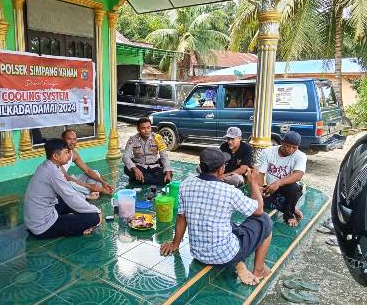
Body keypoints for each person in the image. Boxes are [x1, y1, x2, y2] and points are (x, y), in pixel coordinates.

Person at [160, 148, 272, 286]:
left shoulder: (186, 184)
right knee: (265, 219)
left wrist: (175, 244)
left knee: (221, 219)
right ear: (221, 170)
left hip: (198, 254)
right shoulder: (229, 191)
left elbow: (181, 218)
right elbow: (259, 210)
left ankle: (240, 265)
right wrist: (253, 183)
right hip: (225, 255)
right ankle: (259, 269)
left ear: (201, 167)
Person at [24, 138, 102, 239]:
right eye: (66, 153)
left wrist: (86, 195)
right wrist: (97, 210)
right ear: (55, 156)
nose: (69, 155)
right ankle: (81, 227)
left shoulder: (45, 166)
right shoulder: (53, 173)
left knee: (64, 199)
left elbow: (68, 191)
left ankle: (77, 221)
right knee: (94, 217)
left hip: (34, 220)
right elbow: (71, 196)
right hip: (42, 227)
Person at [257, 131, 307, 227]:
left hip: (289, 189)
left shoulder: (301, 156)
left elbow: (298, 175)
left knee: (294, 188)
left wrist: (279, 182)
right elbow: (260, 173)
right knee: (258, 201)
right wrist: (259, 187)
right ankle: (290, 208)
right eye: (288, 146)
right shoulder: (267, 152)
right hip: (271, 188)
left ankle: (288, 214)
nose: (290, 150)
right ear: (282, 142)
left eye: (294, 148)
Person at [61, 129, 113, 199]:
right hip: (62, 182)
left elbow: (87, 170)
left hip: (69, 178)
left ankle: (91, 192)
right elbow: (66, 178)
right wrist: (91, 186)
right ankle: (90, 193)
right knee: (69, 185)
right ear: (62, 140)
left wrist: (103, 182)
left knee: (95, 173)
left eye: (74, 139)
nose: (73, 142)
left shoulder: (73, 153)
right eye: (69, 139)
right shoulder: (58, 153)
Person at [123, 117, 173, 185]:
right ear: (138, 129)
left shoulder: (157, 138)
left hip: (154, 166)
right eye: (143, 128)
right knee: (126, 168)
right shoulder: (133, 139)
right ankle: (149, 179)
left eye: (148, 127)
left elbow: (164, 156)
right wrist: (135, 169)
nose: (146, 130)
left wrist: (167, 172)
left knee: (169, 174)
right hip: (140, 166)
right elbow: (125, 156)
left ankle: (141, 179)